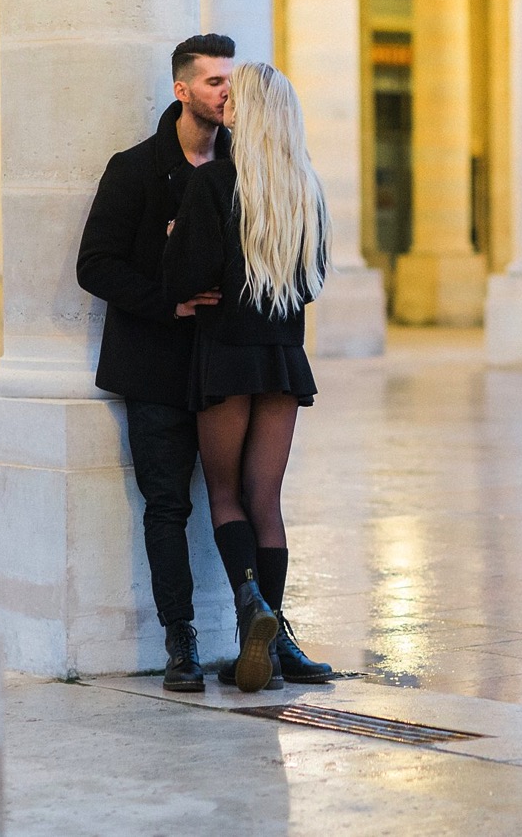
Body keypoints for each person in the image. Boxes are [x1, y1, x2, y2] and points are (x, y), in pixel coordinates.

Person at [163, 61, 336, 693]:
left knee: (226, 494)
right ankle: (277, 637)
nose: (225, 104)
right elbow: (311, 279)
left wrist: (177, 239)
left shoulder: (214, 186)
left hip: (226, 354)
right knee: (268, 498)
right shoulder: (305, 188)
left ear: (251, 114)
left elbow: (183, 281)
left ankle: (250, 608)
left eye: (235, 98)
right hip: (282, 357)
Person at [75, 34, 235, 692]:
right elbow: (95, 264)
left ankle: (269, 628)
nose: (227, 92)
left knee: (246, 500)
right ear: (182, 90)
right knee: (168, 503)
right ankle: (181, 641)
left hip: (229, 362)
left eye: (231, 81)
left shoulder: (245, 164)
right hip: (156, 363)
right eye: (214, 82)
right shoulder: (136, 167)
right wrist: (167, 305)